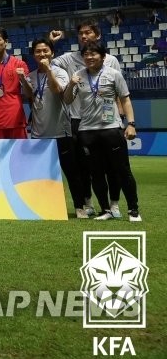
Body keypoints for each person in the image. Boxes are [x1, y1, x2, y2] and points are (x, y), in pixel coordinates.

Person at [50, 20, 123, 217]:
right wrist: (53, 43)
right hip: (78, 121)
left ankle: (114, 204)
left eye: (88, 32)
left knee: (111, 166)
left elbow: (118, 92)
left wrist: (121, 118)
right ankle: (88, 203)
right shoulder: (68, 59)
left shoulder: (111, 60)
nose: (84, 36)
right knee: (83, 167)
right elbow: (46, 64)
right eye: (81, 33)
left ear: (97, 35)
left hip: (107, 121)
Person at [63, 42, 141, 222]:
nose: (89, 57)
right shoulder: (78, 75)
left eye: (93, 54)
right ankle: (105, 209)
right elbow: (67, 100)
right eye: (86, 54)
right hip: (87, 132)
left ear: (103, 56)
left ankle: (133, 210)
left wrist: (131, 124)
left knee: (122, 170)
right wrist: (70, 84)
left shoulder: (114, 74)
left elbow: (125, 100)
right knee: (95, 173)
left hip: (111, 129)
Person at [25, 38, 88, 219]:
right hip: (38, 134)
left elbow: (56, 90)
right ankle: (41, 207)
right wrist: (23, 80)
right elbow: (29, 96)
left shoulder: (60, 72)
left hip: (61, 132)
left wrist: (49, 70)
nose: (42, 54)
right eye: (38, 51)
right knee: (39, 175)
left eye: (45, 51)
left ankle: (79, 206)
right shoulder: (31, 75)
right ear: (33, 55)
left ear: (52, 53)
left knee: (71, 171)